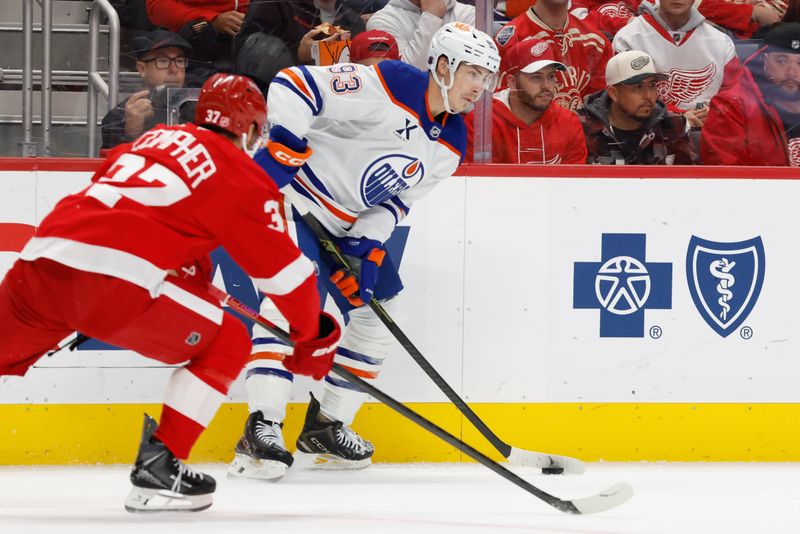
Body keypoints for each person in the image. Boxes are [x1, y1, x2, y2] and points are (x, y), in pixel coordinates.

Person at [0, 74, 341, 512]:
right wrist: (313, 335)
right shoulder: (242, 174)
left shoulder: (155, 139)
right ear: (252, 128)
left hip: (42, 261)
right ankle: (162, 462)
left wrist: (188, 268)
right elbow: (288, 279)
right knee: (231, 340)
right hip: (113, 279)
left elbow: (123, 198)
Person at [229, 22, 500, 481]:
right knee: (291, 300)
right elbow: (294, 83)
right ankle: (262, 426)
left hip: (347, 223)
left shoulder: (454, 142)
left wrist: (368, 243)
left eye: (487, 77)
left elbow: (397, 200)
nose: (481, 87)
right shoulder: (393, 83)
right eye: (474, 72)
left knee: (383, 316)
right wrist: (287, 141)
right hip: (296, 198)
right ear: (442, 66)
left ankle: (326, 426)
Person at [612, 0, 742, 129]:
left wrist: (717, 112)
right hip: (652, 132)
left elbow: (736, 94)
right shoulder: (628, 38)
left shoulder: (721, 41)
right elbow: (626, 96)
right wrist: (676, 116)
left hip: (711, 130)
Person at [465, 39, 587, 164]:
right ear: (512, 82)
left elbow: (574, 181)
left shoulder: (568, 122)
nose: (546, 86)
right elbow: (479, 181)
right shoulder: (481, 124)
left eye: (550, 76)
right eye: (536, 77)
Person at [702, 23, 800, 166]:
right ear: (764, 62)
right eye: (782, 61)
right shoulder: (732, 106)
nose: (791, 73)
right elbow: (726, 175)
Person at [580, 50, 698, 164]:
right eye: (638, 87)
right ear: (613, 93)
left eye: (652, 85)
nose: (648, 96)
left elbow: (690, 178)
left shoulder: (673, 124)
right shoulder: (582, 127)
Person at [493, 0, 613, 110]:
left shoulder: (597, 42)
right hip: (528, 131)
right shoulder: (511, 42)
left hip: (579, 131)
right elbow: (501, 109)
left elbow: (599, 110)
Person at [101, 30, 192, 150]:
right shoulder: (119, 117)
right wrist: (131, 133)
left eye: (179, 61)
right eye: (163, 61)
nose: (174, 69)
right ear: (142, 69)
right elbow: (115, 164)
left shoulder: (199, 108)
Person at [367, 0, 475, 69]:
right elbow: (408, 74)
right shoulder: (382, 20)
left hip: (465, 104)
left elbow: (480, 71)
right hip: (409, 104)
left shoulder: (469, 14)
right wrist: (432, 16)